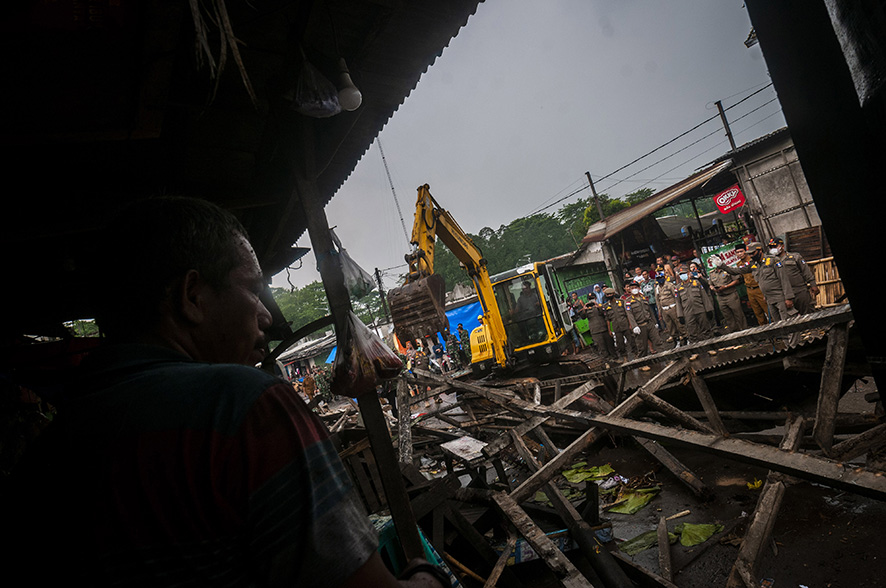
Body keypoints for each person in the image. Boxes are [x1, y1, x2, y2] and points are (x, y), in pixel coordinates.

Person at [5, 196, 448, 588]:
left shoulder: (43, 455)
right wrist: (424, 577)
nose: (266, 318)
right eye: (254, 290)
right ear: (192, 296)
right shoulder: (245, 406)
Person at [717, 241, 797, 322]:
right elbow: (737, 271)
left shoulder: (773, 260)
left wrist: (788, 298)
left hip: (780, 297)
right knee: (777, 323)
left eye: (753, 253)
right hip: (769, 299)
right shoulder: (753, 264)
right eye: (749, 254)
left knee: (788, 321)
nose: (751, 255)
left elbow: (784, 280)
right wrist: (722, 265)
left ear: (760, 250)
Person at [771, 237, 820, 314]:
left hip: (800, 291)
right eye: (771, 247)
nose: (772, 249)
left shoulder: (795, 257)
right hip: (784, 295)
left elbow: (805, 271)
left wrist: (813, 284)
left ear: (782, 246)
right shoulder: (771, 262)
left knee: (808, 313)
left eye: (775, 246)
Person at [707, 254, 748, 333]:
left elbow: (737, 280)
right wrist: (713, 288)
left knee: (738, 314)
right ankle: (735, 333)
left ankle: (745, 331)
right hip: (720, 297)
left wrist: (726, 286)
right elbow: (710, 284)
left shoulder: (728, 269)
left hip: (731, 295)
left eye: (716, 260)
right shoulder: (712, 273)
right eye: (713, 261)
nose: (715, 262)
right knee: (728, 316)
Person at [734, 243, 769, 326]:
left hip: (759, 288)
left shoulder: (753, 260)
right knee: (758, 313)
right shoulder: (739, 264)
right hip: (749, 289)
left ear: (746, 251)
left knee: (768, 310)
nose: (739, 254)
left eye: (741, 251)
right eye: (737, 252)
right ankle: (765, 333)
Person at [675, 267, 713, 342]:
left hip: (700, 310)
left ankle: (710, 347)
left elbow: (704, 297)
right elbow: (678, 303)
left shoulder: (696, 283)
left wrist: (708, 310)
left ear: (688, 274)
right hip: (688, 313)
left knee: (706, 330)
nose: (683, 276)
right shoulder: (678, 288)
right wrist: (680, 316)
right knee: (692, 333)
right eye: (681, 274)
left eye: (684, 274)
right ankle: (696, 351)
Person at [625, 281, 662, 356]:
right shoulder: (628, 301)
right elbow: (630, 315)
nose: (634, 289)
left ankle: (666, 358)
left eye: (635, 287)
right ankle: (643, 364)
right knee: (642, 346)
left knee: (658, 341)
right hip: (640, 326)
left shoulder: (643, 298)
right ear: (630, 290)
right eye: (632, 288)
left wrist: (655, 322)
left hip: (649, 323)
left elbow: (650, 311)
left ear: (639, 288)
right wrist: (634, 326)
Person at [601, 287, 639, 360]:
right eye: (607, 294)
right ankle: (625, 358)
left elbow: (627, 313)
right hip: (616, 327)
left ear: (614, 294)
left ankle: (636, 354)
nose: (609, 295)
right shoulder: (605, 306)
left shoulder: (621, 302)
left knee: (631, 341)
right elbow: (607, 319)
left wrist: (631, 324)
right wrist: (609, 330)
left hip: (625, 325)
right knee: (620, 344)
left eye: (610, 294)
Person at [655, 263, 688, 346]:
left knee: (680, 325)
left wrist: (679, 309)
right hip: (664, 309)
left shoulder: (670, 285)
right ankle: (676, 341)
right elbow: (658, 301)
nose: (660, 279)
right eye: (658, 278)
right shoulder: (657, 289)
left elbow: (676, 297)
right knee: (670, 327)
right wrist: (660, 312)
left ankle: (686, 339)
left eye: (661, 278)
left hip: (673, 307)